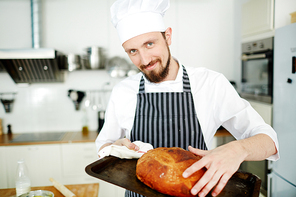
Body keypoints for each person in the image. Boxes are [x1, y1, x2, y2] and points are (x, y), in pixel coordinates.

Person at [95, 0, 279, 196]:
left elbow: (270, 141)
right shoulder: (123, 91)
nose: (145, 60)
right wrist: (115, 147)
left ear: (168, 36)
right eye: (133, 51)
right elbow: (104, 146)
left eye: (149, 44)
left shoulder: (210, 83)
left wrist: (238, 149)